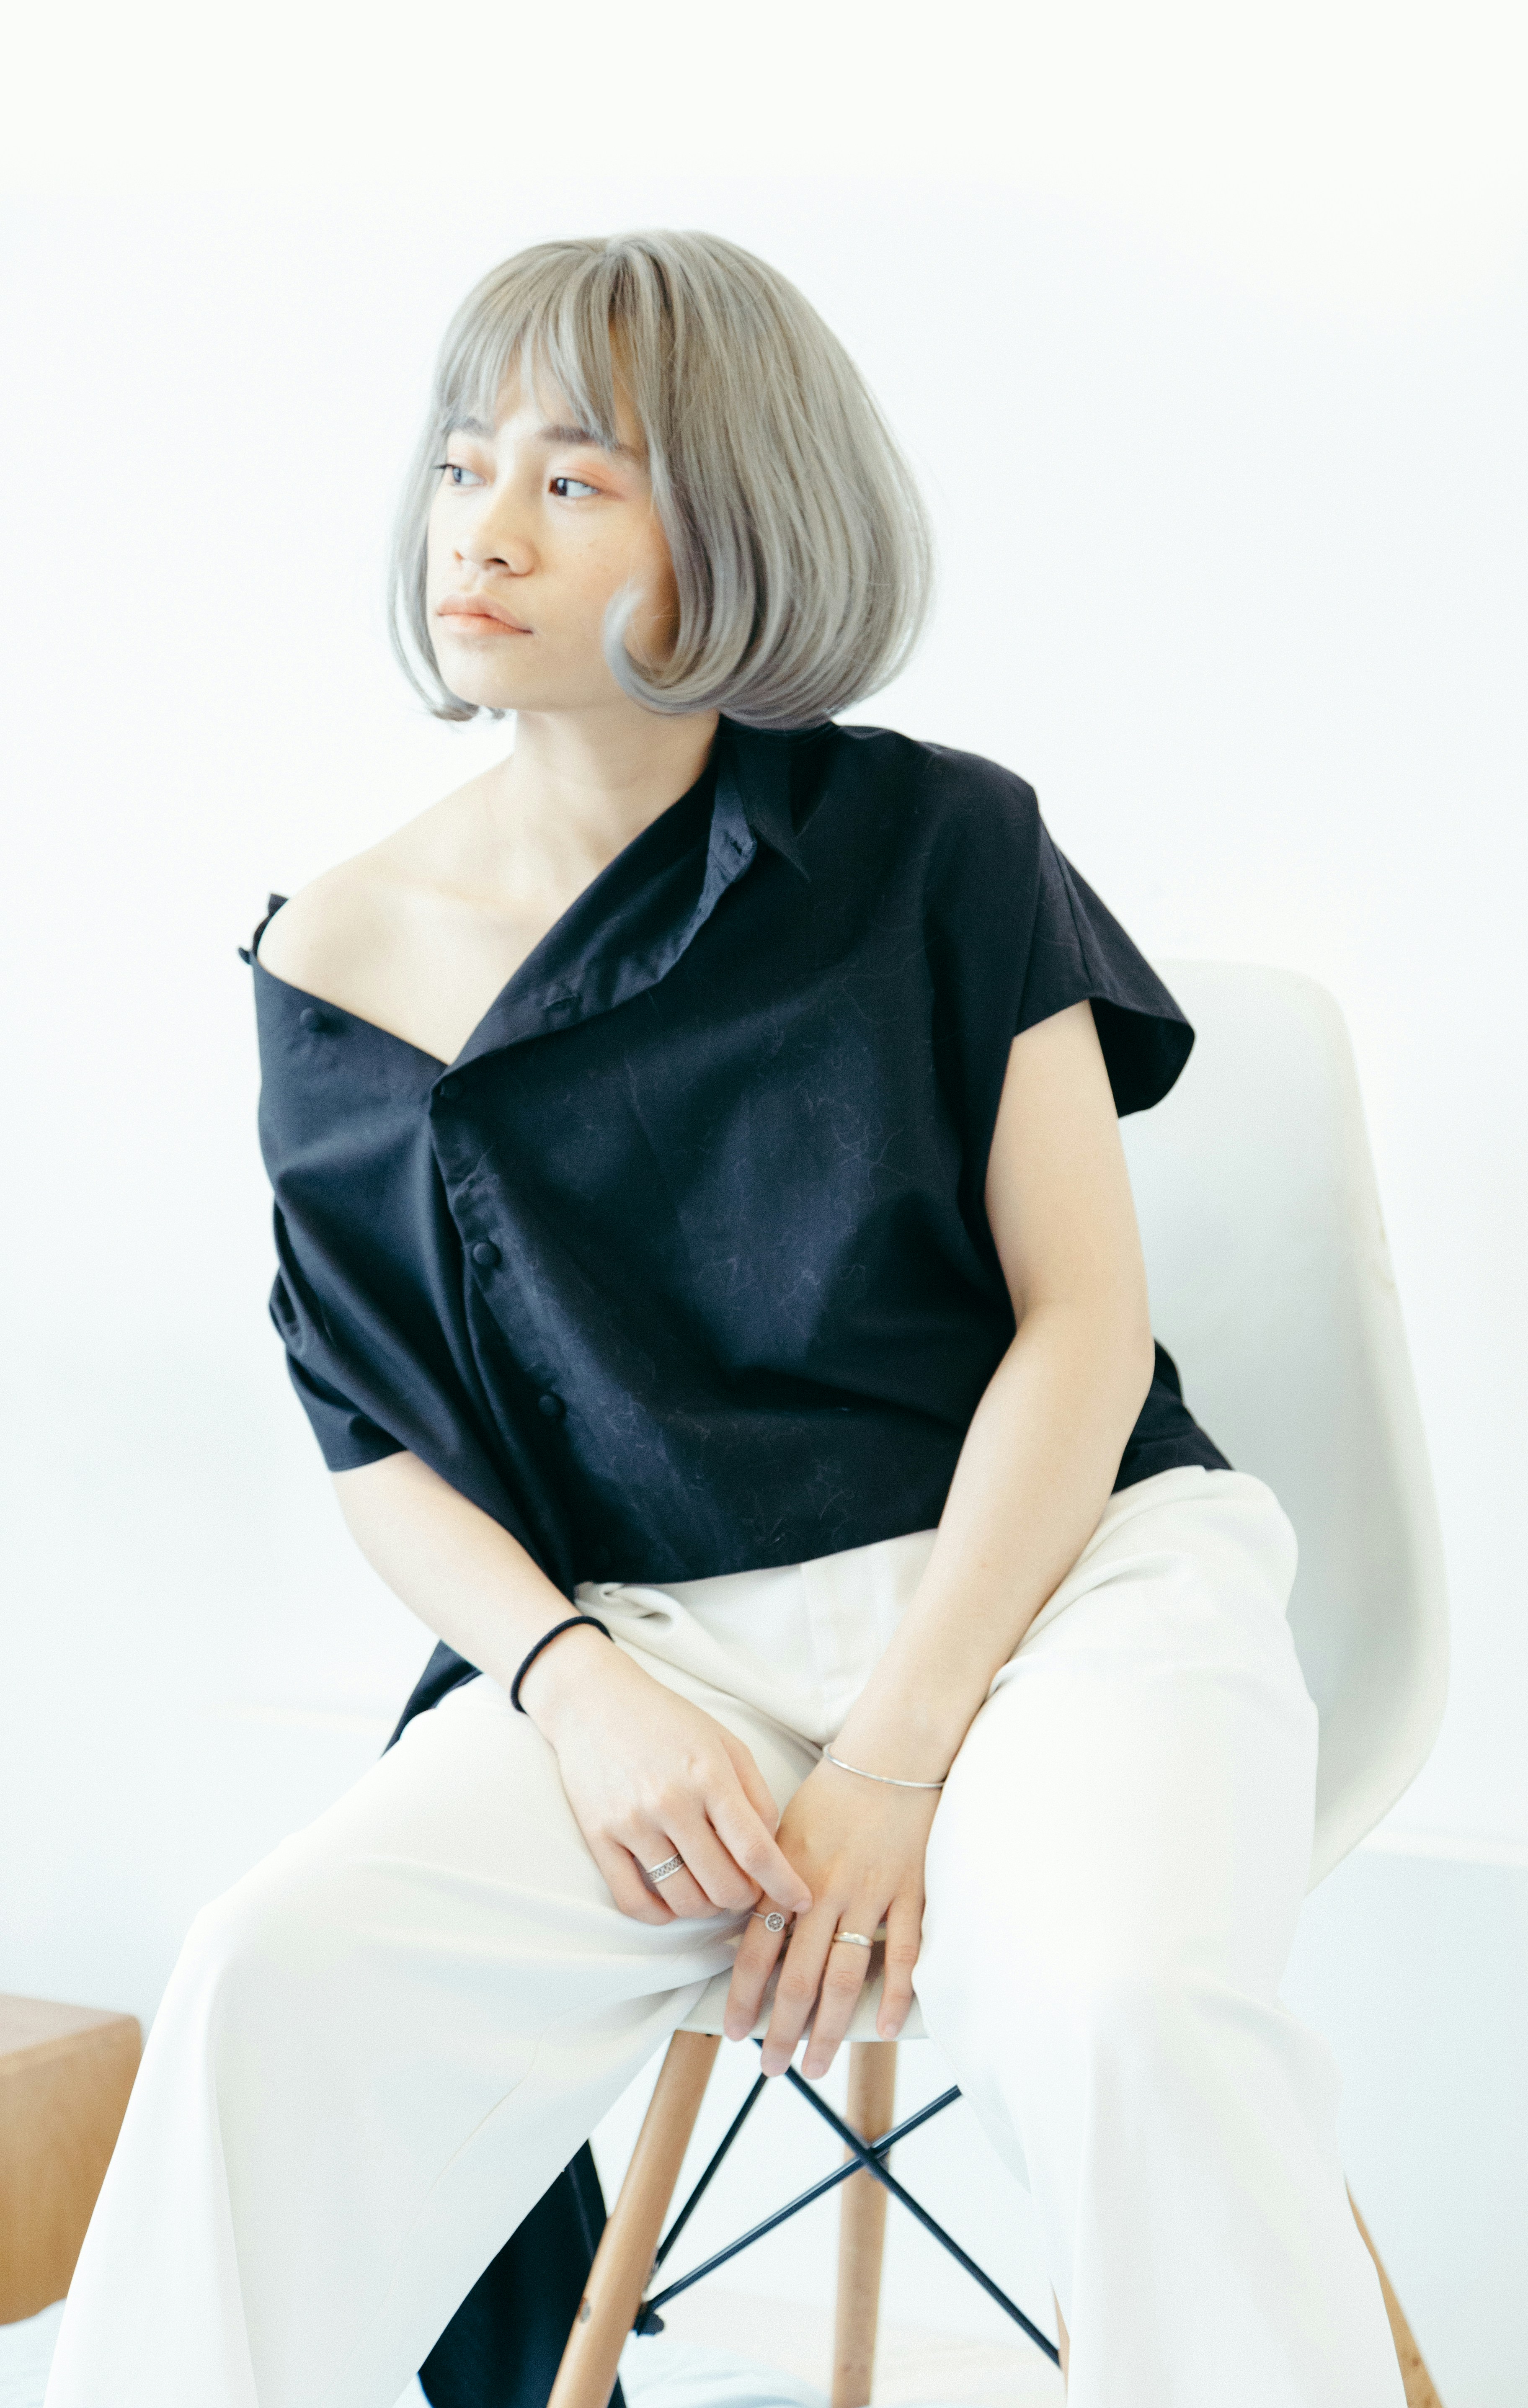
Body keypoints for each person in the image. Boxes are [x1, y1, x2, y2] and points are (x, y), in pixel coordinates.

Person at [44, 231, 1404, 2408]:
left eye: (576, 482)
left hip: (1062, 1579)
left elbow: (1081, 1329)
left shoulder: (941, 846)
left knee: (1128, 2006)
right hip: (664, 1645)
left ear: (742, 528)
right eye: (464, 463)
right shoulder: (341, 951)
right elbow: (375, 1432)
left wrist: (900, 1748)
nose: (482, 525)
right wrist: (574, 1685)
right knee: (273, 1979)